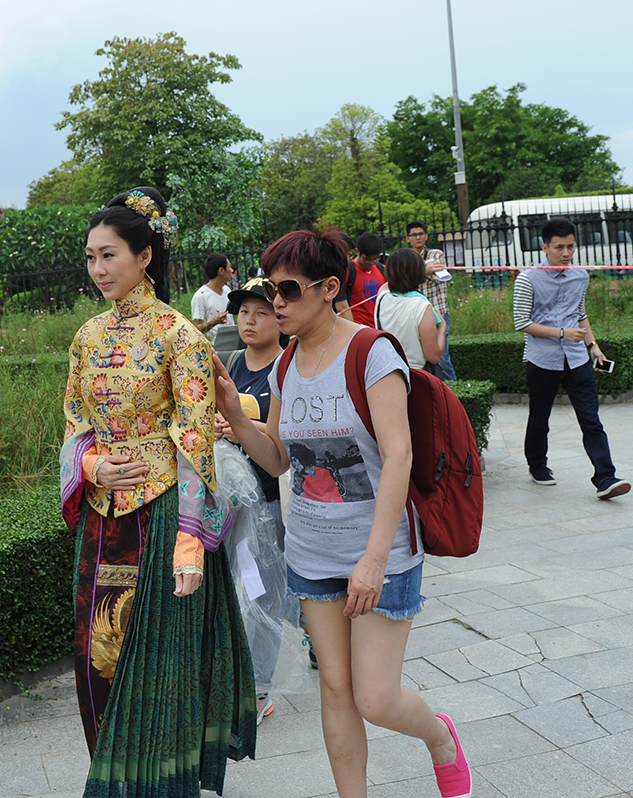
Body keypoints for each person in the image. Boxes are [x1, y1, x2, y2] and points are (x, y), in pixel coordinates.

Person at [213, 228, 471, 798]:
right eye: (269, 289)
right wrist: (235, 414)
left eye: (288, 290)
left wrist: (373, 560)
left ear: (329, 288)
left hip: (380, 551)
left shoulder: (371, 353)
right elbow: (278, 459)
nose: (275, 303)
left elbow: (399, 456)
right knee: (335, 689)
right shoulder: (284, 366)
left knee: (375, 697)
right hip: (311, 552)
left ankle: (439, 737)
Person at [60, 187, 256, 796]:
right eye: (90, 257)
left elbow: (195, 441)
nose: (98, 269)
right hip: (103, 521)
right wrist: (91, 466)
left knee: (161, 670)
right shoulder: (86, 337)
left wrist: (191, 548)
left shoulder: (181, 337)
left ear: (145, 256)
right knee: (100, 661)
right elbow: (74, 425)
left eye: (109, 255)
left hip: (166, 517)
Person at [214, 276, 295, 724]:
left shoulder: (288, 369)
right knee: (240, 588)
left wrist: (243, 427)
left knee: (263, 593)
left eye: (262, 312)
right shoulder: (229, 363)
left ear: (279, 319)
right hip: (230, 502)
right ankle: (314, 628)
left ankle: (260, 688)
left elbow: (288, 437)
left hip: (270, 499)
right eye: (244, 312)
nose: (250, 320)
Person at [512, 217, 631, 499]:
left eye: (570, 247)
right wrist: (562, 333)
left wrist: (593, 346)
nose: (566, 253)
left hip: (577, 359)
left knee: (591, 419)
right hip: (542, 360)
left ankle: (605, 476)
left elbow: (580, 314)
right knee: (539, 418)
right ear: (544, 247)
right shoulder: (527, 279)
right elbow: (521, 323)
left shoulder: (580, 276)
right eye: (559, 247)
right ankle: (537, 465)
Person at [373, 248, 447, 370]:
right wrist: (442, 329)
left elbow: (389, 284)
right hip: (414, 374)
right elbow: (433, 356)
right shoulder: (421, 307)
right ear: (419, 273)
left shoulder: (382, 296)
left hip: (388, 370)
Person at [407, 221, 457, 379]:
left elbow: (439, 276)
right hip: (415, 315)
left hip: (438, 312)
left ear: (426, 236)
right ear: (408, 238)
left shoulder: (435, 254)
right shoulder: (407, 257)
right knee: (421, 359)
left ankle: (453, 389)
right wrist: (424, 270)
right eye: (414, 235)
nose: (418, 237)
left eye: (421, 234)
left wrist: (414, 271)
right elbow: (404, 281)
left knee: (442, 358)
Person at [190, 252, 237, 347]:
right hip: (213, 349)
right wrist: (214, 322)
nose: (232, 270)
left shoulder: (227, 290)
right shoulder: (200, 296)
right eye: (229, 267)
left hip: (233, 344)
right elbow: (196, 329)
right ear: (221, 271)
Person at [340, 232, 386, 327]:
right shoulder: (348, 272)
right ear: (357, 251)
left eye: (375, 259)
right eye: (367, 259)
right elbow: (342, 306)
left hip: (380, 325)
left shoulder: (382, 269)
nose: (371, 263)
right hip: (359, 326)